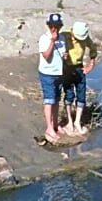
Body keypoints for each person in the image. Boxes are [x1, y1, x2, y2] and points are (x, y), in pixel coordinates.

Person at [59, 21, 98, 136]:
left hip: (79, 67)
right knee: (69, 94)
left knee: (81, 94)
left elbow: (93, 49)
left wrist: (91, 64)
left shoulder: (86, 39)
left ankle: (77, 122)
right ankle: (70, 122)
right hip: (66, 68)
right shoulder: (64, 36)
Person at [37, 13, 67, 143]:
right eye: (52, 26)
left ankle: (55, 124)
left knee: (56, 100)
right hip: (47, 73)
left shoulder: (62, 38)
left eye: (57, 26)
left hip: (58, 72)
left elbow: (62, 53)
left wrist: (65, 55)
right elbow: (46, 56)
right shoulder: (44, 38)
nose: (55, 29)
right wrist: (52, 42)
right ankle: (49, 128)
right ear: (48, 26)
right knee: (49, 100)